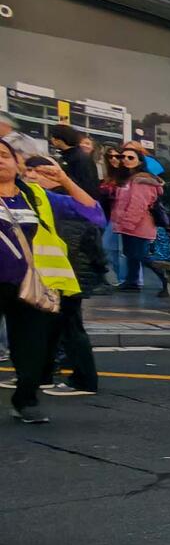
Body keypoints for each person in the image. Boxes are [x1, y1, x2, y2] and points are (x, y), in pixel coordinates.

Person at [1, 142, 103, 422]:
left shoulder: (35, 195)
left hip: (32, 285)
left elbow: (93, 213)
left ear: (17, 164)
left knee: (33, 347)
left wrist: (65, 180)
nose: (0, 161)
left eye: (4, 155)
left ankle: (26, 400)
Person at [46, 125, 109, 292]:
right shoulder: (71, 157)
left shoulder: (78, 158)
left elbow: (85, 185)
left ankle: (97, 280)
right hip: (75, 208)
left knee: (88, 247)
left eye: (53, 137)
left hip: (81, 209)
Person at [104, 142, 165, 292]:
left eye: (130, 157)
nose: (125, 160)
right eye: (122, 156)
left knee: (141, 256)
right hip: (127, 225)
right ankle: (132, 282)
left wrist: (128, 223)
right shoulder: (128, 179)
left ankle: (167, 278)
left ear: (139, 160)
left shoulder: (141, 180)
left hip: (138, 225)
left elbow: (138, 204)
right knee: (131, 255)